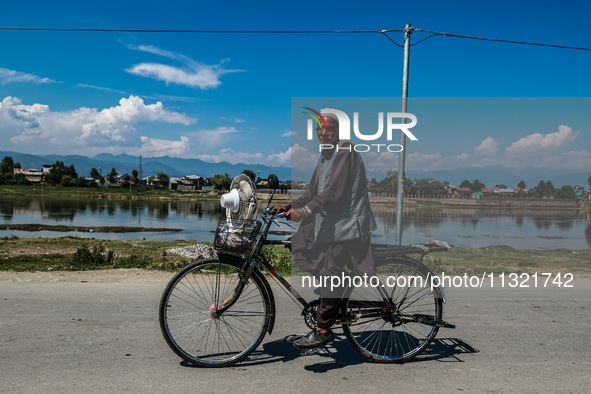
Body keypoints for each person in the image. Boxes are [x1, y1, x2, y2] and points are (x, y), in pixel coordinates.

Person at [273, 113, 377, 349]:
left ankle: (323, 329)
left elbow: (335, 192)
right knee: (299, 242)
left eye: (328, 128)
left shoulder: (345, 152)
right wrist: (290, 207)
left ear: (338, 130)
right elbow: (312, 190)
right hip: (335, 223)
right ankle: (329, 299)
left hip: (349, 224)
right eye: (319, 129)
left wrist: (306, 212)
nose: (323, 133)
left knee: (331, 270)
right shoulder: (326, 154)